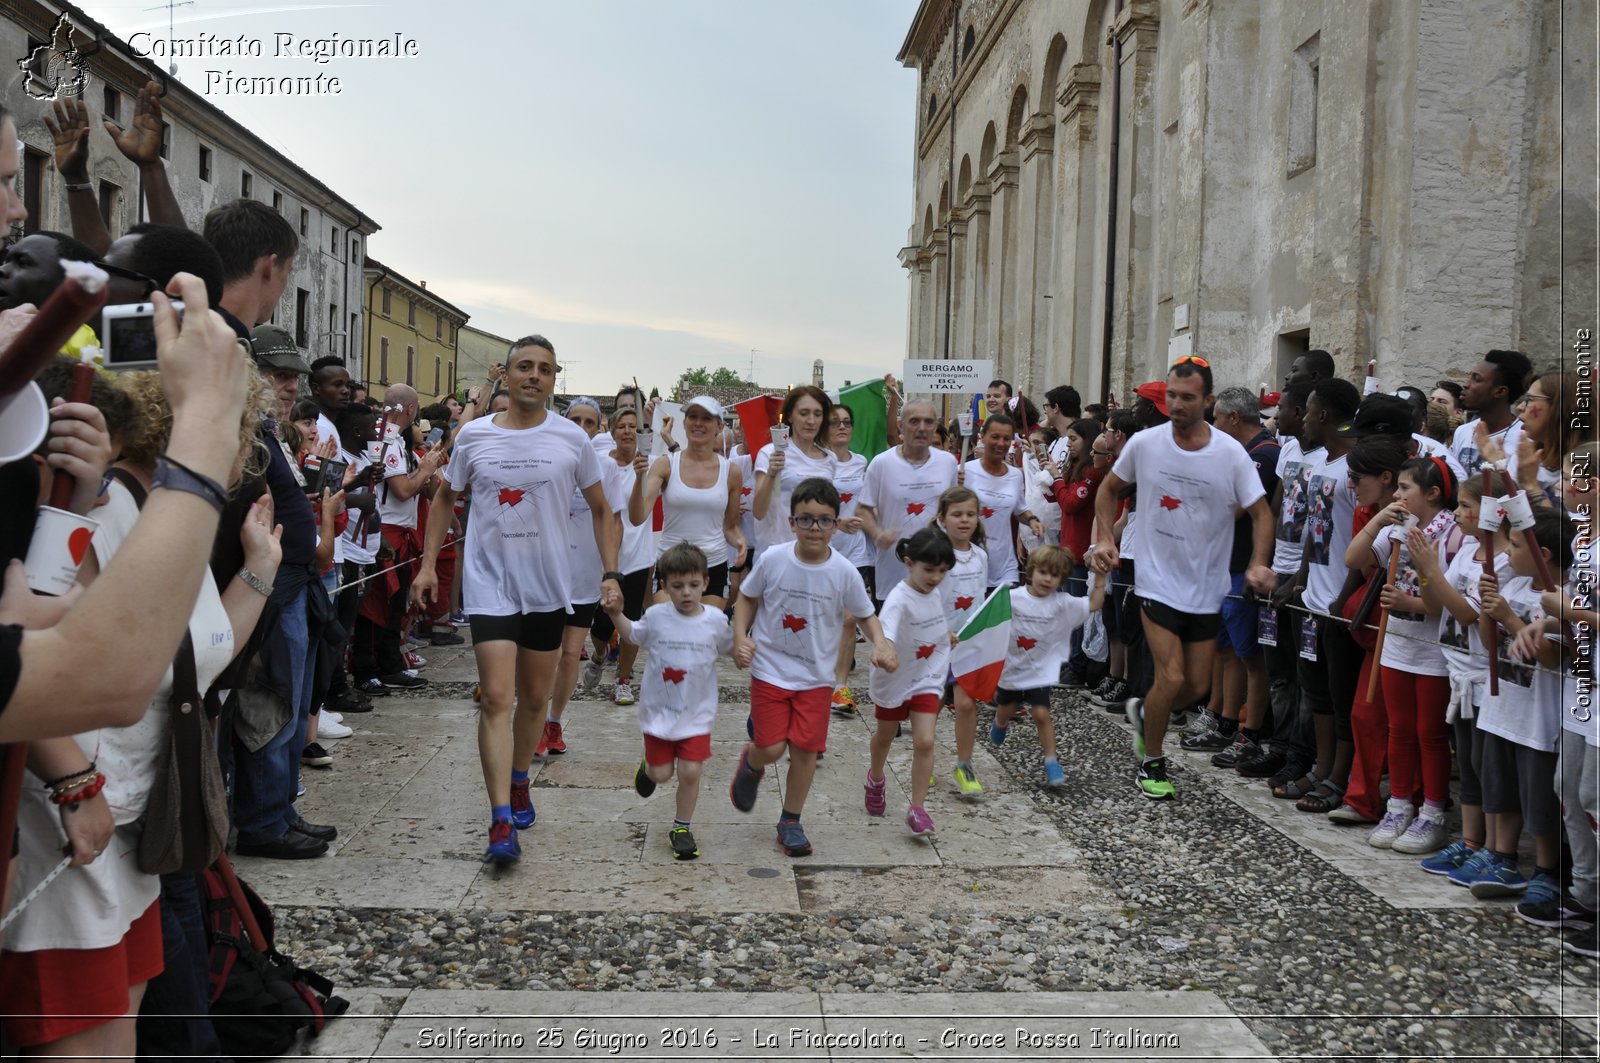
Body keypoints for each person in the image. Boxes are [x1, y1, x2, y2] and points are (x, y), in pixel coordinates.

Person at [412, 337, 621, 865]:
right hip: (490, 586)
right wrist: (424, 564)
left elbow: (601, 510)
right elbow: (444, 497)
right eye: (524, 367)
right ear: (505, 375)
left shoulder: (573, 439)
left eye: (545, 369)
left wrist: (611, 572)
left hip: (549, 587)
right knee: (497, 698)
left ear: (554, 379)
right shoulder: (474, 436)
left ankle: (521, 774)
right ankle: (500, 819)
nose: (534, 376)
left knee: (534, 700)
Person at [1090, 358, 1275, 801]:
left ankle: (1144, 711)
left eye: (1187, 397)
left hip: (1206, 584)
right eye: (1172, 395)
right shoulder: (1146, 444)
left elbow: (1261, 513)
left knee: (1197, 686)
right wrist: (1103, 540)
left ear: (1208, 402)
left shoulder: (1230, 454)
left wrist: (1259, 563)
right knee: (1171, 677)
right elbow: (1108, 489)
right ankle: (1151, 761)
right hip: (1155, 579)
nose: (1176, 404)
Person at [729, 478, 894, 857]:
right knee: (771, 748)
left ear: (837, 525)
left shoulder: (844, 572)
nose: (815, 528)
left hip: (817, 679)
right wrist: (741, 636)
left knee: (805, 750)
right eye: (805, 520)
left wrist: (881, 643)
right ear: (791, 522)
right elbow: (747, 598)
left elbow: (867, 616)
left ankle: (790, 819)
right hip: (770, 670)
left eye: (823, 521)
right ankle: (752, 763)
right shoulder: (773, 559)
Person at [1357, 457, 1464, 851]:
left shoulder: (1453, 534)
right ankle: (1398, 805)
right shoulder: (1401, 528)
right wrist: (1378, 519)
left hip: (1433, 647)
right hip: (1397, 642)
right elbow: (1356, 559)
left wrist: (1409, 601)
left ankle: (1433, 813)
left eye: (1405, 489)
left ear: (1433, 494)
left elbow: (1447, 602)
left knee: (1430, 733)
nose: (1397, 495)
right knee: (1398, 729)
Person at [1469, 509, 1574, 903]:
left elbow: (1550, 657)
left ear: (1542, 554)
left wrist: (1510, 618)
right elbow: (1486, 642)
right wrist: (1488, 607)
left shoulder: (1558, 601)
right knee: (1500, 788)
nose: (1507, 553)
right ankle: (1502, 856)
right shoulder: (1512, 585)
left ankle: (1547, 869)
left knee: (1539, 799)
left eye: (1514, 545)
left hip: (1538, 721)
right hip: (1503, 710)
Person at [1272, 378, 1362, 805]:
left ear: (1323, 415)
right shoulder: (1322, 464)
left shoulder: (1354, 467)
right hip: (1312, 597)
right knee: (1317, 693)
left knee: (1340, 697)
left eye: (1307, 410)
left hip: (1338, 604)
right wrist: (1299, 580)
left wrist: (1345, 597)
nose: (1303, 418)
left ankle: (1338, 777)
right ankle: (1320, 768)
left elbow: (1362, 539)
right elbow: (1313, 529)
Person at [612, 543, 732, 862]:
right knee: (663, 774)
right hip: (659, 716)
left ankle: (681, 827)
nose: (687, 593)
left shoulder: (715, 620)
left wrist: (745, 651)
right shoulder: (656, 617)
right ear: (664, 586)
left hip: (697, 715)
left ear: (706, 583)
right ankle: (649, 768)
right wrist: (615, 614)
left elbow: (731, 646)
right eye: (677, 586)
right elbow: (631, 635)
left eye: (693, 585)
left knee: (691, 771)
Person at [1182, 389, 1279, 767]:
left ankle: (1248, 731)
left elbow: (1237, 506)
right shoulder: (1240, 454)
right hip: (1224, 564)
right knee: (1224, 648)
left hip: (1243, 565)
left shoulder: (1263, 454)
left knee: (1248, 654)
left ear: (1234, 418)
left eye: (1217, 418)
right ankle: (1220, 716)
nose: (1213, 426)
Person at [1408, 476, 1500, 876]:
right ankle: (1471, 840)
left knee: (1485, 764)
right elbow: (1435, 601)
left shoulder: (1499, 559)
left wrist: (1431, 568)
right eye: (1459, 506)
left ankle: (1494, 849)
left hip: (1484, 676)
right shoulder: (1466, 549)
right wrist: (1424, 572)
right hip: (1458, 668)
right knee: (1467, 758)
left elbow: (1467, 613)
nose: (1459, 514)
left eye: (1467, 507)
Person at [542, 396, 629, 755]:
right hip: (545, 573)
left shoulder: (606, 469)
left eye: (589, 422)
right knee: (543, 654)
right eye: (574, 420)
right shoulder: (547, 462)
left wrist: (609, 570)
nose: (581, 428)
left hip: (583, 575)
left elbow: (614, 521)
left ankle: (553, 721)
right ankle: (534, 716)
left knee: (569, 653)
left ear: (599, 428)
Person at [864, 528, 955, 835]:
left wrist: (945, 636)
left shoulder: (936, 592)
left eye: (942, 571)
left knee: (925, 741)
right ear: (908, 562)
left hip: (927, 676)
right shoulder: (898, 598)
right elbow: (886, 631)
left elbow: (932, 623)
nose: (935, 578)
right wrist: (883, 649)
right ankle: (875, 777)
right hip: (895, 677)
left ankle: (918, 808)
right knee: (885, 736)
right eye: (929, 570)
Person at [990, 545, 1103, 789]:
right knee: (1007, 707)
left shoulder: (1062, 603)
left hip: (1040, 671)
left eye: (1054, 575)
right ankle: (1000, 722)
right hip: (1012, 669)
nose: (1047, 579)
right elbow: (988, 620)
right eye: (1043, 572)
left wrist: (1101, 578)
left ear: (1062, 579)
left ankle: (1052, 762)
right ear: (1030, 572)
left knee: (1041, 714)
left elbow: (1093, 604)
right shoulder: (1012, 598)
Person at [632, 395, 746, 611]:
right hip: (671, 564)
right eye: (692, 417)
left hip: (713, 566)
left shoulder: (731, 471)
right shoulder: (666, 464)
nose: (698, 423)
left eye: (706, 418)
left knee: (704, 640)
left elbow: (730, 527)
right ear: (684, 424)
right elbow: (637, 517)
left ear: (720, 426)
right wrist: (639, 478)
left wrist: (740, 542)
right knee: (671, 637)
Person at [857, 399, 959, 605]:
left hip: (935, 571)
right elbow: (862, 509)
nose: (922, 428)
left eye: (929, 422)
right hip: (893, 572)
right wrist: (878, 534)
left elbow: (953, 508)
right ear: (901, 426)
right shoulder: (881, 463)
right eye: (914, 421)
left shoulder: (948, 463)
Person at [584, 406, 654, 704]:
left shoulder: (652, 466)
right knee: (600, 625)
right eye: (622, 426)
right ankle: (599, 654)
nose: (628, 431)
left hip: (638, 555)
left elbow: (639, 515)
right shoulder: (599, 464)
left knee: (632, 623)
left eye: (633, 427)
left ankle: (624, 679)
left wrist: (640, 476)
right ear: (611, 432)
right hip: (605, 555)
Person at [934, 486, 989, 795]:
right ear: (943, 519)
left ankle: (964, 764)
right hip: (937, 643)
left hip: (968, 644)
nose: (964, 520)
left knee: (966, 704)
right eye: (957, 514)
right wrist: (938, 629)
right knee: (932, 703)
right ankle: (922, 755)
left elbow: (981, 600)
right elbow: (926, 596)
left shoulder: (980, 555)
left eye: (970, 514)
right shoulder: (937, 555)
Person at [826, 404, 872, 714]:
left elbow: (867, 501)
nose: (842, 427)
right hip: (823, 547)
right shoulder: (816, 462)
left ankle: (840, 687)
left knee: (848, 618)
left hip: (856, 549)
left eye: (847, 422)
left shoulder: (862, 463)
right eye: (835, 422)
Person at [752, 387, 834, 554]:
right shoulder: (770, 453)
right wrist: (771, 474)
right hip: (776, 551)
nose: (811, 421)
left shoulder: (830, 459)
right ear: (790, 416)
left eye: (817, 414)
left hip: (815, 554)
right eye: (804, 413)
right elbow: (759, 512)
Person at [963, 413, 1037, 591]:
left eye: (1006, 438)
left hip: (1005, 565)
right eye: (995, 437)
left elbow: (1020, 510)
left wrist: (1033, 520)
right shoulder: (965, 471)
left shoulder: (1015, 475)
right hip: (970, 561)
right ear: (983, 437)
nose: (1001, 443)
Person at [1451, 349, 1532, 479]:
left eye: (1477, 379)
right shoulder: (1462, 432)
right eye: (1470, 377)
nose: (1466, 384)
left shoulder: (1524, 440)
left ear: (1500, 392)